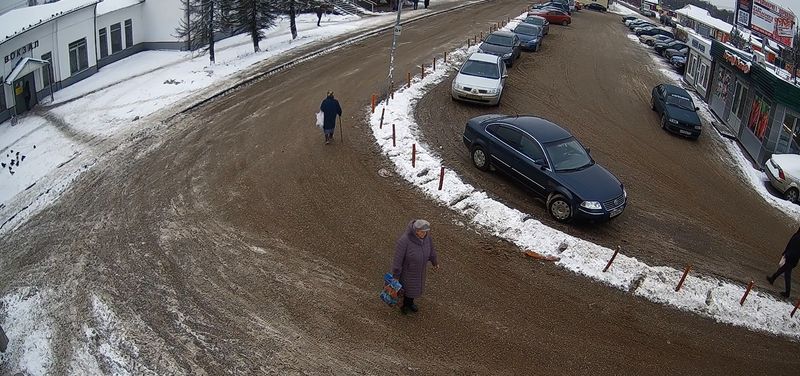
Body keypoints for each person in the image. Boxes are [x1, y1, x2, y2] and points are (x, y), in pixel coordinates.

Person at [392, 219, 439, 314]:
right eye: (422, 232)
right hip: (407, 271)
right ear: (415, 231)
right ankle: (404, 305)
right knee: (406, 289)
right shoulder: (404, 241)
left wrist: (435, 262)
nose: (424, 234)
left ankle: (410, 303)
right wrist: (396, 276)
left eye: (425, 232)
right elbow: (398, 259)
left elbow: (432, 251)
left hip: (420, 271)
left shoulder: (427, 238)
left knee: (415, 288)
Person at [767, 227, 800, 298]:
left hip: (791, 258)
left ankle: (787, 293)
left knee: (787, 275)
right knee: (783, 270)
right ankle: (772, 279)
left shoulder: (797, 236)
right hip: (792, 258)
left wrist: (786, 254)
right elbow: (791, 245)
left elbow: (792, 247)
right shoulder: (796, 235)